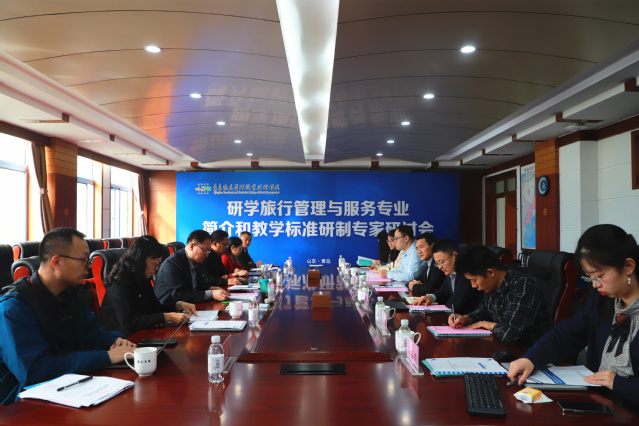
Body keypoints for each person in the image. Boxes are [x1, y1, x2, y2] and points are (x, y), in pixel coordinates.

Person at [508, 224, 639, 411]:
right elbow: (566, 334)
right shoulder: (604, 302)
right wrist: (531, 359)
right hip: (599, 403)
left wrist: (618, 383)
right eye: (590, 277)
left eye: (599, 276)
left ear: (628, 266)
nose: (595, 285)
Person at [0, 228, 136, 405]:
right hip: (24, 405)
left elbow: (93, 334)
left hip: (71, 389)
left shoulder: (68, 294)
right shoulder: (14, 308)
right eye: (83, 259)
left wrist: (116, 342)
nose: (88, 266)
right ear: (57, 262)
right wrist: (107, 356)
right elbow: (35, 371)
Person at [448, 244, 552, 347]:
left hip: (530, 352)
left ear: (490, 272)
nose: (473, 286)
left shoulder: (524, 285)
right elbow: (484, 310)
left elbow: (509, 334)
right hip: (503, 347)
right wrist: (466, 318)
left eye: (474, 280)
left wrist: (486, 324)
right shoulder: (491, 285)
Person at [98, 235, 197, 336]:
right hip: (118, 339)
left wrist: (178, 305)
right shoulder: (121, 282)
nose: (157, 268)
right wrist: (166, 317)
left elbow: (155, 308)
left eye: (158, 264)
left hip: (139, 334)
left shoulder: (141, 277)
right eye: (155, 263)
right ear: (140, 260)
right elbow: (129, 323)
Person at [154, 230, 230, 305]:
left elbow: (198, 285)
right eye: (205, 250)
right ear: (192, 246)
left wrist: (211, 288)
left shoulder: (197, 261)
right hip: (171, 308)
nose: (207, 255)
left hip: (190, 305)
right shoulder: (172, 264)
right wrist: (211, 294)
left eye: (209, 251)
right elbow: (179, 295)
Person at [411, 239, 482, 314]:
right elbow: (444, 290)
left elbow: (454, 304)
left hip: (468, 317)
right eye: (437, 263)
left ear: (454, 255)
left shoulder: (466, 273)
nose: (439, 267)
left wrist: (431, 311)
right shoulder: (450, 271)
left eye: (441, 262)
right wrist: (430, 297)